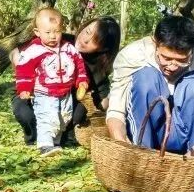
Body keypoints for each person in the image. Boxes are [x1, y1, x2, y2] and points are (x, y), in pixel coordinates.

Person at [106, 14, 194, 159]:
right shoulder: (132, 55)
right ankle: (142, 153)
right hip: (149, 130)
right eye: (166, 58)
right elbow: (116, 110)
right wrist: (121, 141)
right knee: (145, 78)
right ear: (155, 43)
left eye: (181, 60)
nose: (172, 66)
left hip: (184, 134)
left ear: (193, 50)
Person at [10, 15, 120, 145]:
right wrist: (22, 66)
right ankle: (34, 137)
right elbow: (14, 52)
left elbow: (103, 100)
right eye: (87, 32)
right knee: (24, 112)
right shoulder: (58, 38)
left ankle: (61, 136)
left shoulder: (97, 69)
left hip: (64, 100)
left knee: (79, 112)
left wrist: (116, 105)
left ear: (103, 48)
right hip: (33, 93)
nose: (85, 39)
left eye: (94, 40)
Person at [14, 8, 90, 155]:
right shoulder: (33, 50)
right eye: (48, 32)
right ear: (37, 32)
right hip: (44, 93)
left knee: (64, 117)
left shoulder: (69, 48)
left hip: (65, 93)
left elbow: (80, 66)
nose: (53, 36)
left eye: (57, 31)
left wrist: (81, 81)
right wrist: (24, 88)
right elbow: (23, 70)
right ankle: (45, 145)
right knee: (47, 116)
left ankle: (55, 142)